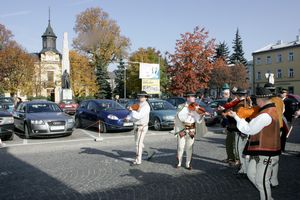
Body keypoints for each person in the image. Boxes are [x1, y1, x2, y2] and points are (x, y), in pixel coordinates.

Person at [228, 87, 281, 200]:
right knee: (251, 174)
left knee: (262, 180)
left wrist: (236, 117)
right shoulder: (267, 111)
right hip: (259, 150)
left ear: (260, 100)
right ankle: (267, 195)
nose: (255, 102)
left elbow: (249, 129)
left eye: (256, 99)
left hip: (267, 153)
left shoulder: (265, 114)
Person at [174, 92, 205, 170]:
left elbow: (198, 120)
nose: (194, 98)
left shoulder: (196, 107)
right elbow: (179, 117)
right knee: (180, 147)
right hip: (182, 129)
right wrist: (188, 114)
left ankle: (188, 164)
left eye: (194, 97)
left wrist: (201, 115)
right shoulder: (181, 106)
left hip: (191, 129)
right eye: (192, 97)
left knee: (189, 147)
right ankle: (179, 162)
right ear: (187, 98)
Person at [128, 91, 151, 165]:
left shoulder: (146, 106)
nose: (140, 97)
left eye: (142, 96)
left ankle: (138, 160)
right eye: (139, 96)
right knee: (137, 143)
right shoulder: (138, 104)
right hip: (136, 126)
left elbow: (139, 116)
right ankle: (147, 151)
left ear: (146, 98)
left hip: (142, 127)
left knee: (138, 143)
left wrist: (131, 110)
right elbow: (133, 114)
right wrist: (128, 118)